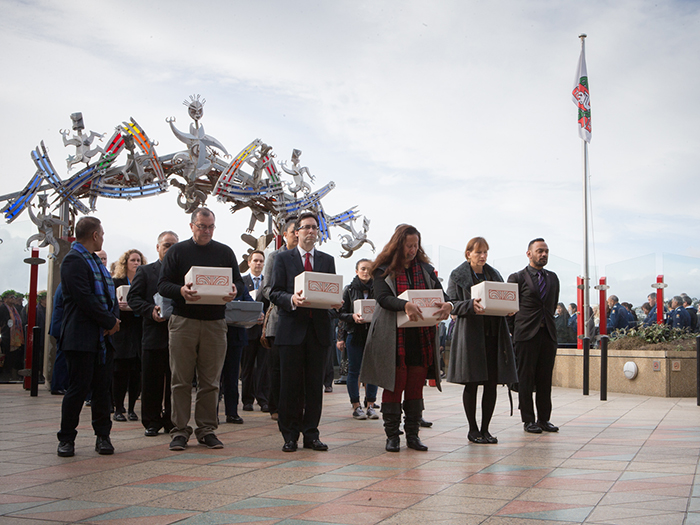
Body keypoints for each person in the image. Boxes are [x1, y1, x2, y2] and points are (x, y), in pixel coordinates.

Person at [158, 207, 244, 451]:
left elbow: (237, 280)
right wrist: (181, 291)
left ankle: (206, 430)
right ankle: (179, 431)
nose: (206, 231)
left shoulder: (225, 252)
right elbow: (162, 284)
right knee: (180, 380)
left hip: (215, 323)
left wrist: (235, 290)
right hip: (183, 321)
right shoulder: (177, 251)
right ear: (191, 226)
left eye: (210, 227)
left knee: (210, 381)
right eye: (202, 226)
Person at [359, 224, 451, 452]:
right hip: (393, 338)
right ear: (398, 245)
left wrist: (448, 304)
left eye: (415, 245)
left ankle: (413, 435)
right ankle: (392, 436)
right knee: (394, 386)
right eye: (408, 245)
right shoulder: (383, 269)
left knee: (414, 389)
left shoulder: (426, 270)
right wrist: (405, 305)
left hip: (421, 336)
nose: (412, 250)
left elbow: (442, 295)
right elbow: (382, 298)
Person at [270, 211, 340, 452]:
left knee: (314, 387)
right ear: (297, 231)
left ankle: (311, 434)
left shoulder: (326, 260)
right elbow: (274, 292)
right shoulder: (283, 259)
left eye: (314, 227)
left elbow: (330, 292)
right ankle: (289, 435)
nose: (311, 231)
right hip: (291, 331)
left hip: (318, 332)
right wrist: (291, 299)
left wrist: (334, 304)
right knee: (290, 386)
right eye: (306, 227)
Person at [57, 216, 120, 457]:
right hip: (81, 338)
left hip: (103, 339)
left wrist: (113, 320)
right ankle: (66, 439)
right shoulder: (73, 261)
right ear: (94, 235)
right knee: (78, 390)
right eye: (101, 234)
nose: (103, 238)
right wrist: (109, 321)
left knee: (103, 391)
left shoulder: (97, 264)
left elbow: (109, 297)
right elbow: (84, 298)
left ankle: (103, 436)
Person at [446, 237, 517, 445]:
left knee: (491, 384)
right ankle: (472, 429)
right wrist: (470, 305)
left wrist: (509, 307)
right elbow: (452, 304)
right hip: (470, 335)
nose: (483, 256)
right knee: (472, 382)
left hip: (494, 334)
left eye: (486, 252)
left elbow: (503, 297)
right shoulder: (457, 275)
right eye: (478, 252)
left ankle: (486, 428)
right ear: (468, 254)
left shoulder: (494, 274)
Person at [127, 231, 178, 436]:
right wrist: (150, 310)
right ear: (158, 247)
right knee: (151, 380)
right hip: (154, 333)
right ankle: (151, 421)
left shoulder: (183, 272)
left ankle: (172, 420)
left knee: (176, 382)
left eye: (174, 245)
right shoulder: (146, 272)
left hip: (178, 335)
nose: (170, 249)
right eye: (166, 245)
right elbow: (134, 298)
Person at [507, 238, 560, 434]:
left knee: (545, 379)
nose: (543, 254)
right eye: (539, 251)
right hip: (525, 335)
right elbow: (509, 310)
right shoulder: (517, 277)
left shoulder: (553, 278)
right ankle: (528, 420)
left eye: (546, 251)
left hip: (548, 334)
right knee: (526, 379)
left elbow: (552, 304)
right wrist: (515, 331)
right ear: (529, 253)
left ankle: (544, 419)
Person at [260, 217, 298, 421]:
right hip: (278, 319)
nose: (298, 235)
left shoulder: (306, 258)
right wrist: (287, 298)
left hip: (302, 319)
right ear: (285, 235)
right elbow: (266, 288)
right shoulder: (275, 256)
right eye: (294, 231)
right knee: (276, 367)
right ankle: (274, 406)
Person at [337, 258, 379, 420]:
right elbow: (340, 313)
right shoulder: (349, 290)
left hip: (373, 336)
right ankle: (356, 405)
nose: (366, 272)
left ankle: (371, 405)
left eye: (369, 269)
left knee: (372, 372)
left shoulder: (378, 289)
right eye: (362, 269)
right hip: (354, 334)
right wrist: (352, 317)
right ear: (356, 271)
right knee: (354, 371)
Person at [112, 249, 146, 422]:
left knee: (136, 373)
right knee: (120, 372)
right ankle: (118, 408)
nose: (136, 263)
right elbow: (109, 303)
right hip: (122, 330)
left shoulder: (143, 280)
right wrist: (118, 306)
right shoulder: (116, 281)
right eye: (133, 260)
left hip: (138, 329)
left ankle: (132, 408)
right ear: (125, 263)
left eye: (139, 260)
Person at [240, 250, 270, 412]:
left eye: (261, 261)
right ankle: (247, 399)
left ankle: (263, 399)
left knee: (264, 367)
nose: (258, 264)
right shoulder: (242, 281)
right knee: (247, 366)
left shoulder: (268, 282)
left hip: (264, 330)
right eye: (255, 261)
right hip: (247, 330)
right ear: (249, 262)